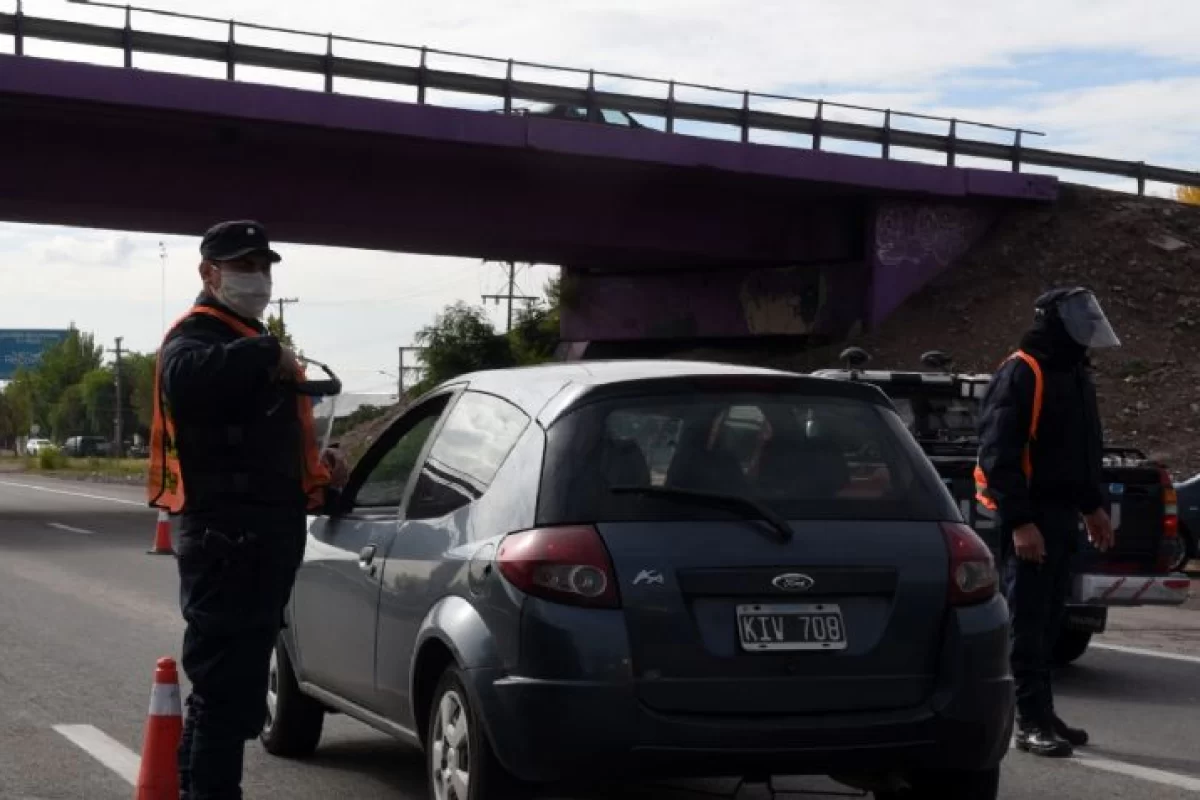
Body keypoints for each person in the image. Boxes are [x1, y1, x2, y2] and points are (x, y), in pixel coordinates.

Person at [146, 220, 348, 799]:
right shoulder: (199, 335)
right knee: (227, 695)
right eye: (243, 267)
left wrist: (321, 478)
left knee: (226, 694)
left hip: (258, 538)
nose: (257, 278)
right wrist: (267, 352)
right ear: (209, 273)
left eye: (263, 266)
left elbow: (263, 442)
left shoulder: (240, 333)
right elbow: (185, 379)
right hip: (228, 540)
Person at [974, 287, 1118, 758]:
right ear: (1053, 319)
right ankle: (1027, 723)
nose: (1087, 323)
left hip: (1061, 518)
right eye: (1078, 314)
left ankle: (1044, 712)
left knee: (1051, 624)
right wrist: (1020, 522)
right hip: (1031, 520)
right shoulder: (1024, 370)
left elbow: (1076, 454)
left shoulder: (1074, 373)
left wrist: (1092, 506)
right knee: (1028, 624)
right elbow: (999, 456)